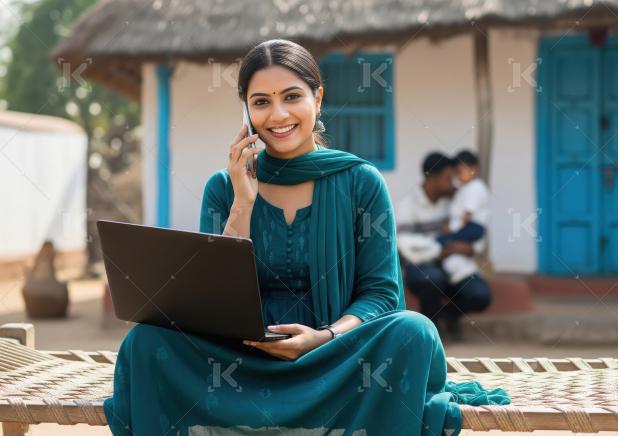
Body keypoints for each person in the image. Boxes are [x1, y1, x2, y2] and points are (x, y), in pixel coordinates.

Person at [102, 39, 507, 435]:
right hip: (240, 361)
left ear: (318, 97)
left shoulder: (361, 182)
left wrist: (324, 337)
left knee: (413, 331)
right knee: (146, 341)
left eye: (292, 96)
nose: (278, 115)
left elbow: (381, 294)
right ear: (246, 111)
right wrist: (243, 201)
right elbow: (211, 300)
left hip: (337, 361)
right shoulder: (224, 188)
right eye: (261, 102)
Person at [396, 152, 492, 342]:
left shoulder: (455, 200)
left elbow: (476, 229)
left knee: (480, 294)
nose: (454, 183)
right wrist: (440, 249)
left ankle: (448, 316)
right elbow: (404, 243)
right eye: (449, 178)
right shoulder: (407, 205)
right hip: (420, 267)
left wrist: (471, 249)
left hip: (453, 264)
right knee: (432, 278)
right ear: (432, 178)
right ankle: (430, 334)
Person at [437, 150, 490, 285]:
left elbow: (467, 215)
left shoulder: (475, 188)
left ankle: (462, 275)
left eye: (461, 171)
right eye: (456, 172)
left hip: (472, 227)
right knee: (447, 245)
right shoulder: (465, 187)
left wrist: (452, 228)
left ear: (474, 169)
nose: (458, 176)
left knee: (442, 242)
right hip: (466, 226)